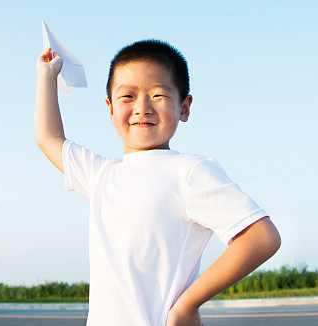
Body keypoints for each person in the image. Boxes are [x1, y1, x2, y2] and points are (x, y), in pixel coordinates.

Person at [35, 38, 281, 326]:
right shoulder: (101, 174)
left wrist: (186, 305)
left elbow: (262, 237)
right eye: (127, 96)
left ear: (184, 107)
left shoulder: (190, 171)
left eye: (158, 95)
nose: (142, 107)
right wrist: (47, 76)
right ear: (110, 108)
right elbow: (48, 138)